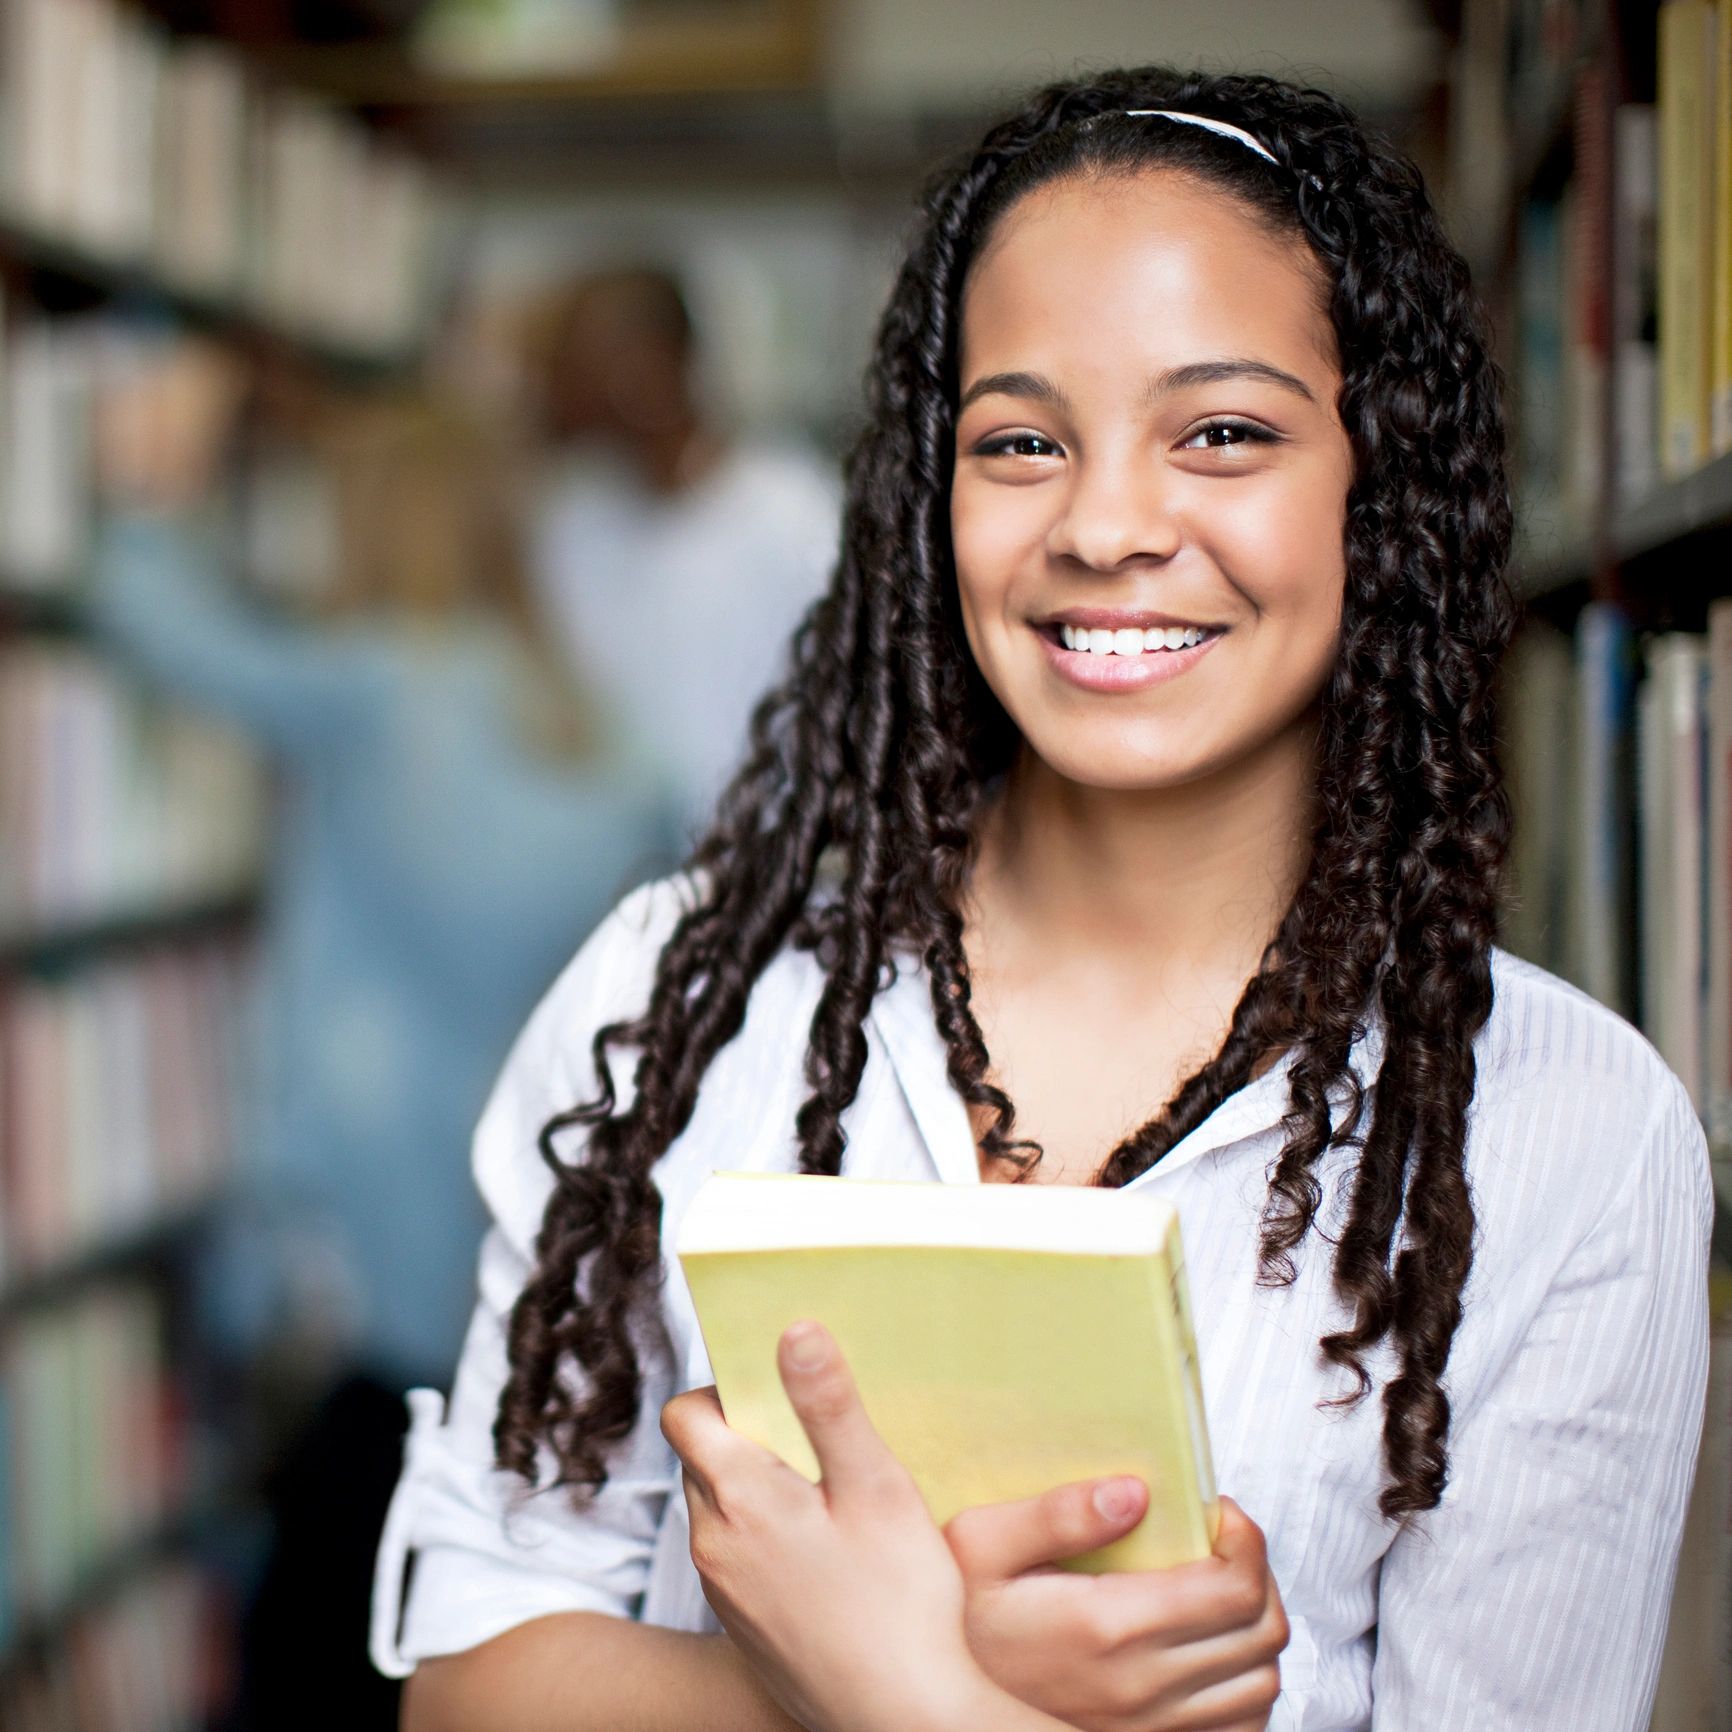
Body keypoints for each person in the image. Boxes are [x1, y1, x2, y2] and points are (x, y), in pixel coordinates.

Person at [370, 68, 1712, 1732]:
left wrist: (908, 1693)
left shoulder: (1565, 1135)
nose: (1102, 524)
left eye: (1221, 432)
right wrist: (852, 1684)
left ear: (1380, 488)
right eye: (1019, 441)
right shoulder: (683, 999)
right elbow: (466, 1686)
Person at [88, 346, 678, 1728]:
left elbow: (156, 623)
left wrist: (146, 480)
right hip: (528, 1242)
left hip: (353, 1247)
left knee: (314, 1622)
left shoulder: (378, 691)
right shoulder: (607, 741)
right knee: (442, 1594)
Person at [527, 265, 841, 828]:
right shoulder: (571, 527)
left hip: (769, 871)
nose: (549, 387)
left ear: (647, 363)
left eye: (572, 364)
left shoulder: (794, 517)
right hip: (617, 878)